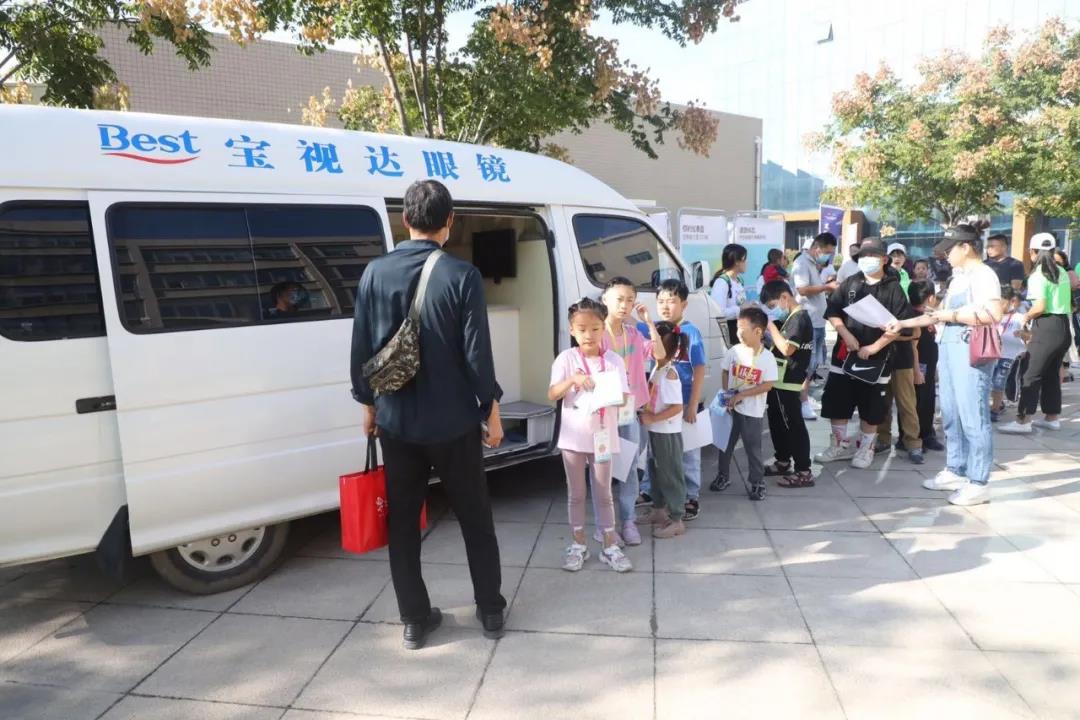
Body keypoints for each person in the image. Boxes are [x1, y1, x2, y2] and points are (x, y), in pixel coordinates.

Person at [350, 179, 506, 650]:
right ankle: (490, 609)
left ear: (405, 220)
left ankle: (414, 620)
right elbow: (477, 355)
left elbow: (362, 346)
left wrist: (368, 404)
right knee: (475, 517)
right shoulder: (462, 276)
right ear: (449, 221)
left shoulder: (374, 273)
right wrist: (491, 410)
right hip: (454, 422)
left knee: (403, 522)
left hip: (397, 422)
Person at [887, 224, 1003, 506]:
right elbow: (937, 315)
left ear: (966, 247)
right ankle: (955, 469)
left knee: (973, 415)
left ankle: (978, 481)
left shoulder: (984, 275)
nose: (945, 255)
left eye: (950, 249)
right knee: (951, 412)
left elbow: (993, 313)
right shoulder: (958, 278)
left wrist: (952, 315)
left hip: (970, 349)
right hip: (950, 348)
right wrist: (902, 323)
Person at [548, 297, 634, 573]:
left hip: (602, 437)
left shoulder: (613, 361)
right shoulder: (566, 359)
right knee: (576, 494)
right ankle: (578, 545)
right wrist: (573, 380)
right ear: (572, 330)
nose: (589, 335)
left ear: (603, 328)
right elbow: (552, 393)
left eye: (595, 328)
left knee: (603, 493)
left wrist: (608, 392)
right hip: (573, 439)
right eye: (582, 329)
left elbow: (624, 397)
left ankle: (610, 545)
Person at [815, 239, 916, 469]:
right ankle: (839, 445)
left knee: (871, 407)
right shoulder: (851, 282)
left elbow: (901, 326)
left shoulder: (893, 288)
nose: (866, 259)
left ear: (883, 259)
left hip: (877, 359)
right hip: (844, 354)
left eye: (872, 255)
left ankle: (865, 448)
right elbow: (833, 311)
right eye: (863, 255)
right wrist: (845, 334)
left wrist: (874, 347)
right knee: (837, 401)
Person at [597, 277, 662, 547]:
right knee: (602, 467)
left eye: (630, 300)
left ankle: (628, 521)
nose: (624, 305)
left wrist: (649, 322)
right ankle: (604, 525)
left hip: (628, 410)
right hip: (602, 412)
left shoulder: (634, 333)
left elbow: (659, 353)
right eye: (619, 299)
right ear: (605, 300)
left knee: (629, 466)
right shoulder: (597, 333)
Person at [999, 233, 1073, 434]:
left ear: (1032, 252)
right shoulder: (1061, 271)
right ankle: (1052, 417)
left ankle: (1023, 420)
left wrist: (1026, 317)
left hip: (1046, 326)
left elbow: (1040, 306)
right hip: (1062, 326)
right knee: (1051, 373)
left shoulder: (1038, 274)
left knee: (1030, 373)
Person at [645, 279, 707, 521]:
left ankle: (690, 496)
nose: (665, 306)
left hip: (685, 403)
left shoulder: (690, 332)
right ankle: (655, 495)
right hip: (662, 408)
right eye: (660, 301)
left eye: (671, 301)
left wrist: (692, 404)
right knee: (660, 454)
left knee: (688, 452)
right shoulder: (658, 330)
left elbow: (699, 369)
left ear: (684, 304)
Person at [712, 307, 778, 500]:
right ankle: (723, 476)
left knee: (753, 449)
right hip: (730, 409)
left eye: (743, 329)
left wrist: (743, 395)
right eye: (737, 328)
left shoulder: (767, 358)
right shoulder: (734, 351)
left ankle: (757, 483)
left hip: (752, 412)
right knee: (724, 444)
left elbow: (768, 385)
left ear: (758, 331)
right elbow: (725, 371)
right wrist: (726, 395)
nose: (738, 333)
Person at [759, 280, 814, 487]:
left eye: (773, 305)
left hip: (789, 380)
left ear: (784, 297)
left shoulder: (799, 318)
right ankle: (782, 460)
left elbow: (787, 349)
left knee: (793, 425)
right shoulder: (791, 317)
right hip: (779, 379)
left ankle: (803, 470)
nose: (774, 310)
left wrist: (770, 326)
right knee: (777, 422)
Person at [639, 322, 690, 539]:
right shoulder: (658, 369)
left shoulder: (669, 374)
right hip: (655, 430)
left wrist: (653, 417)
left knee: (670, 475)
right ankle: (659, 510)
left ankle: (677, 519)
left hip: (667, 433)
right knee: (655, 471)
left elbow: (677, 407)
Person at [791, 232, 839, 420]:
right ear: (817, 248)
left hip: (817, 322)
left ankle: (804, 399)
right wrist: (827, 287)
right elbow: (802, 289)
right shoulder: (802, 263)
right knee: (807, 365)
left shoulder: (813, 264)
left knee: (813, 365)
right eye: (828, 252)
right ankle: (802, 402)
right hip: (807, 321)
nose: (829, 256)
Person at [901, 281, 945, 451]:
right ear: (931, 298)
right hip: (919, 367)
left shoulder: (918, 316)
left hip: (925, 366)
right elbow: (914, 346)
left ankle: (923, 434)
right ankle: (920, 436)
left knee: (921, 400)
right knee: (920, 401)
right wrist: (917, 370)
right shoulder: (917, 319)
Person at [989, 287, 1026, 422]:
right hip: (993, 354)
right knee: (991, 382)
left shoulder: (1020, 317)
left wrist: (1023, 337)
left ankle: (995, 410)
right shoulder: (994, 316)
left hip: (1009, 355)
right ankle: (999, 404)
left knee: (999, 382)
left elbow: (1029, 334)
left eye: (1002, 302)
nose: (1000, 306)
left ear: (1011, 301)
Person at [711, 243, 748, 344]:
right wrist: (740, 309)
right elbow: (719, 313)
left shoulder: (739, 280)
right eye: (744, 259)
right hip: (728, 333)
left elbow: (740, 303)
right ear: (737, 262)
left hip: (739, 330)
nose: (746, 262)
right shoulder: (721, 282)